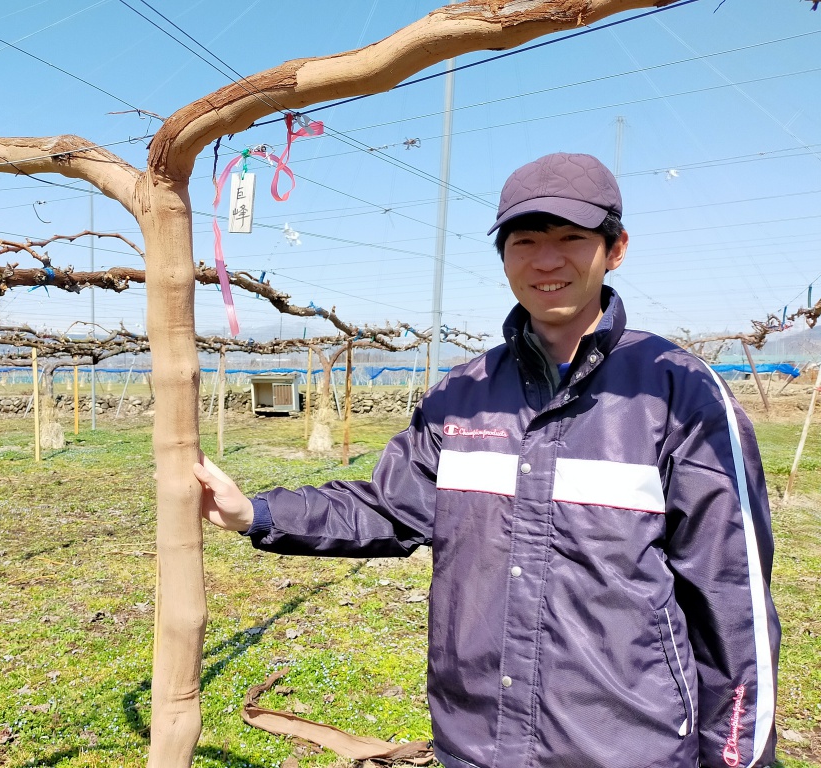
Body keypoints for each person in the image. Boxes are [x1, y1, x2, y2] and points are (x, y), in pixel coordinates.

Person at [193, 152, 780, 768]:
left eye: (571, 239)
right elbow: (390, 507)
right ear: (503, 256)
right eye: (525, 240)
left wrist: (736, 757)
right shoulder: (463, 394)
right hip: (475, 741)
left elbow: (731, 600)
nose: (546, 260)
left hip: (625, 745)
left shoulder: (677, 392)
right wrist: (253, 512)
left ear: (616, 248)